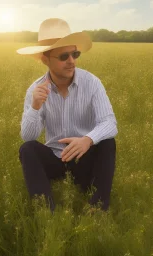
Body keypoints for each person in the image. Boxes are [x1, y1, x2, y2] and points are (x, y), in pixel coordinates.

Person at [17, 18, 118, 213]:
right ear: (45, 60)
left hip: (83, 158)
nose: (71, 61)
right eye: (64, 56)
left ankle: (97, 209)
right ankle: (46, 212)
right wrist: (35, 107)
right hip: (56, 160)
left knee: (107, 142)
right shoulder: (35, 90)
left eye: (75, 53)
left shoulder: (92, 83)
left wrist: (87, 140)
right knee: (27, 149)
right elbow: (28, 136)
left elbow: (110, 122)